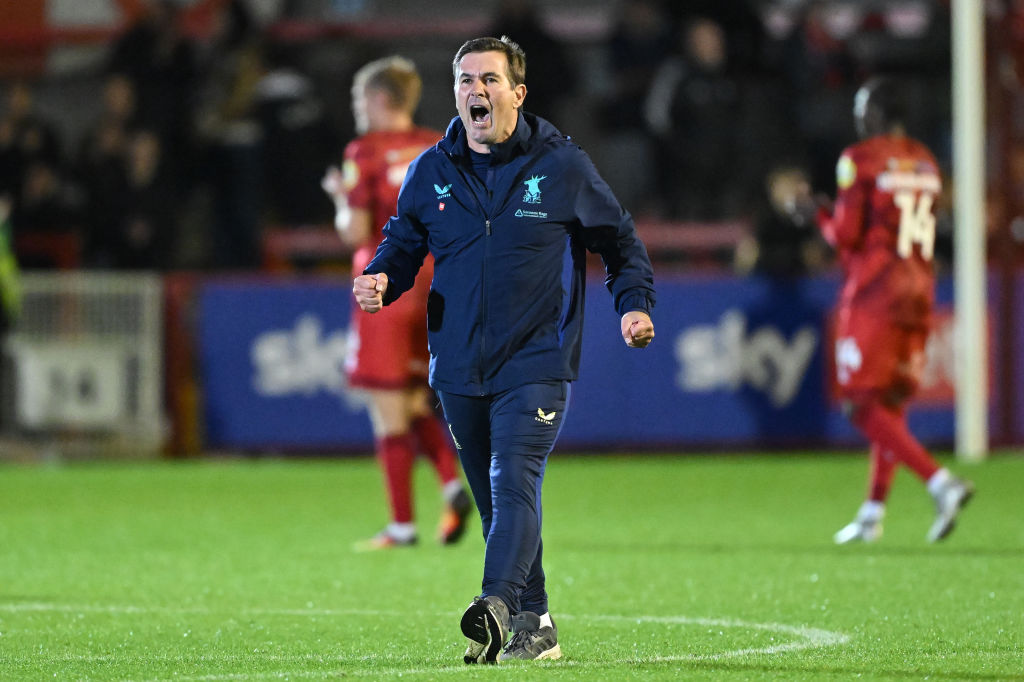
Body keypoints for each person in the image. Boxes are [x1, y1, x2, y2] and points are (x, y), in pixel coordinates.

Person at [352, 36, 656, 663]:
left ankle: (492, 605)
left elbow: (619, 241)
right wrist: (384, 275)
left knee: (512, 479)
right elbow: (404, 239)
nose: (475, 91)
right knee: (495, 505)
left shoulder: (563, 167)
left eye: (489, 80)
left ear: (517, 92)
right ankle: (536, 624)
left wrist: (633, 304)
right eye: (465, 81)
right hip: (458, 365)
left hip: (537, 359)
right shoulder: (432, 169)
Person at [322, 56, 471, 551]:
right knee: (411, 398)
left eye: (359, 99)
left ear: (379, 100)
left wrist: (341, 199)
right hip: (435, 283)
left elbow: (357, 231)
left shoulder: (363, 152)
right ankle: (451, 485)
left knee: (387, 407)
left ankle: (402, 527)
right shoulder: (439, 145)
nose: (357, 109)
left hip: (383, 284)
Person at [816, 76, 973, 545]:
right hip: (920, 288)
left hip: (876, 292)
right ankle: (872, 513)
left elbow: (845, 236)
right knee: (890, 405)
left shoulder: (859, 159)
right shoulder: (926, 160)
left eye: (864, 107)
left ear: (879, 111)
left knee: (859, 404)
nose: (858, 115)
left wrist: (817, 216)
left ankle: (940, 482)